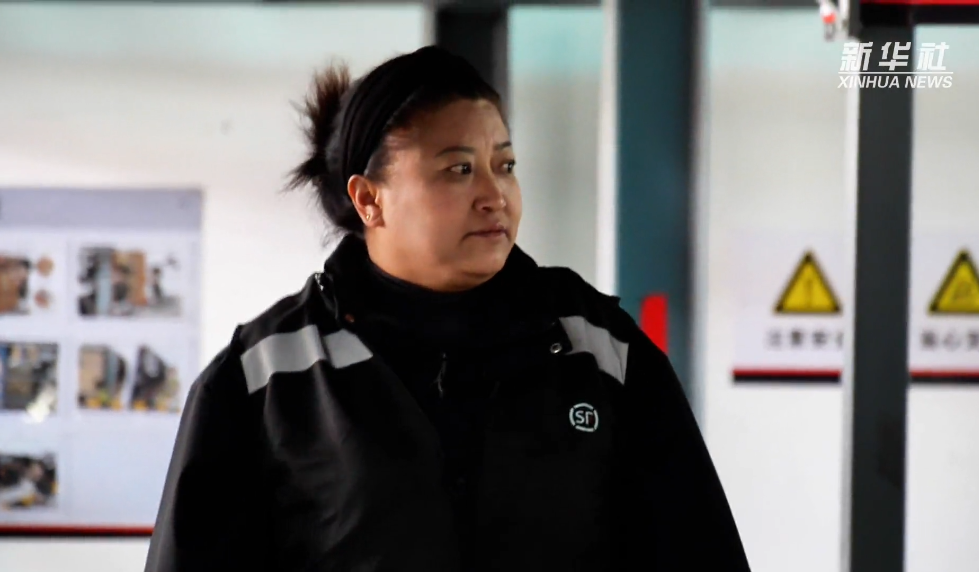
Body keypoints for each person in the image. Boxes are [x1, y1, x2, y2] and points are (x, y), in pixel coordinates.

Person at [145, 46, 751, 572]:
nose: (495, 195)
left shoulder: (598, 350)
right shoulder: (269, 380)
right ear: (369, 199)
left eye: (505, 166)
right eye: (459, 169)